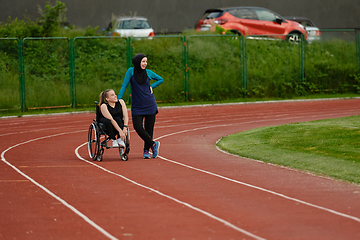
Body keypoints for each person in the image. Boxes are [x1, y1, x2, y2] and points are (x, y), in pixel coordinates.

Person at [118, 53, 163, 159]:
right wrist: (119, 99)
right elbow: (124, 85)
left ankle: (146, 151)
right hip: (137, 106)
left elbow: (160, 79)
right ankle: (153, 144)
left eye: (146, 61)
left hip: (150, 104)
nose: (145, 64)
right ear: (138, 62)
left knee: (149, 129)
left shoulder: (148, 73)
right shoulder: (131, 71)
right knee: (138, 127)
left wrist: (151, 86)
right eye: (143, 61)